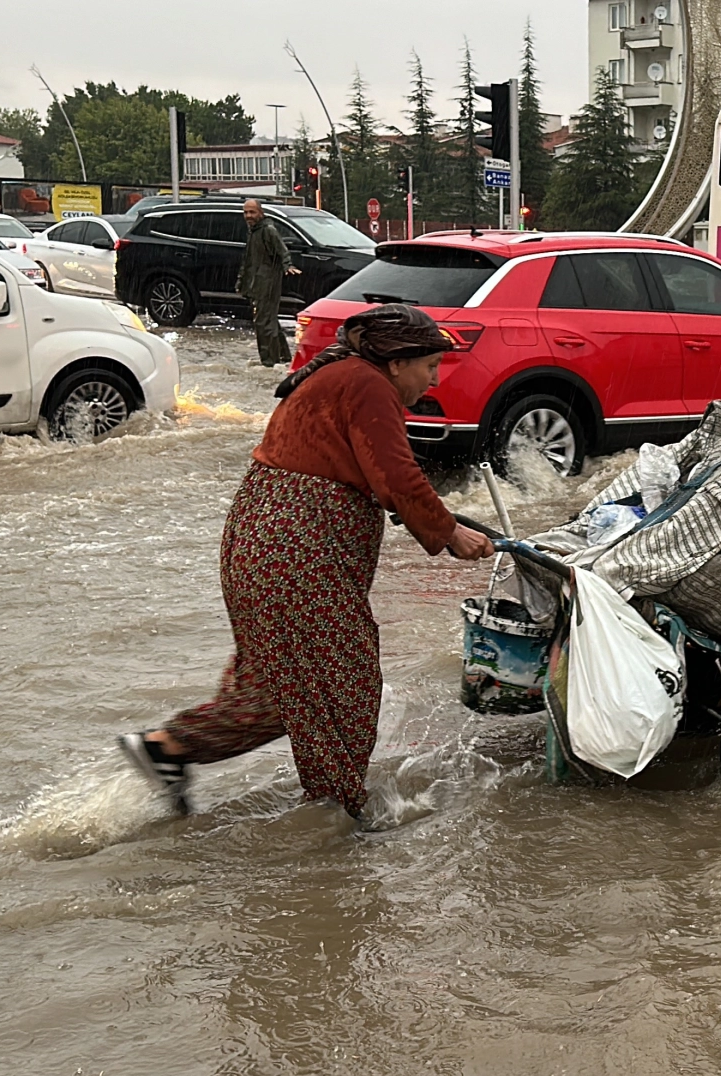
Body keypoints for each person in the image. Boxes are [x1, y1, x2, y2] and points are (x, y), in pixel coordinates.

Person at [119, 304, 495, 817]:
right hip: (299, 554)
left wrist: (440, 521)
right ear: (394, 363)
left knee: (281, 691)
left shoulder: (346, 376)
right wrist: (450, 532)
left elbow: (378, 477)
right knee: (345, 683)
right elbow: (395, 476)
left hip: (261, 546)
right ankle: (338, 817)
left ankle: (168, 748)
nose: (431, 381)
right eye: (429, 366)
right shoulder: (367, 384)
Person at [238, 199, 300, 368]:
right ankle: (283, 357)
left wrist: (288, 265)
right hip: (258, 282)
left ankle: (268, 362)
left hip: (269, 282)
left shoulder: (268, 230)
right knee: (269, 320)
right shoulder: (254, 231)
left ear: (260, 213)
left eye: (252, 212)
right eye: (245, 212)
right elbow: (249, 260)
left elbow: (282, 250)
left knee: (263, 323)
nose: (248, 216)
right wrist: (242, 282)